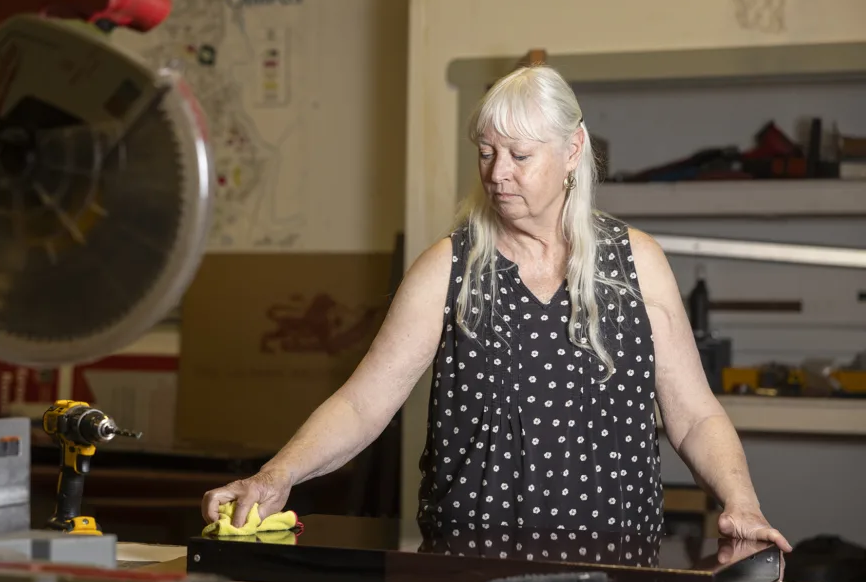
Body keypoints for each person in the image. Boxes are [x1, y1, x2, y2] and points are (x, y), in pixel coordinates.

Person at [201, 63, 791, 556]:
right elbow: (362, 404)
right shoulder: (448, 268)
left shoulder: (637, 263)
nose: (497, 173)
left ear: (573, 150)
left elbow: (693, 415)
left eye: (519, 154)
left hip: (618, 566)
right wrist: (275, 475)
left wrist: (742, 503)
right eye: (486, 153)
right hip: (468, 565)